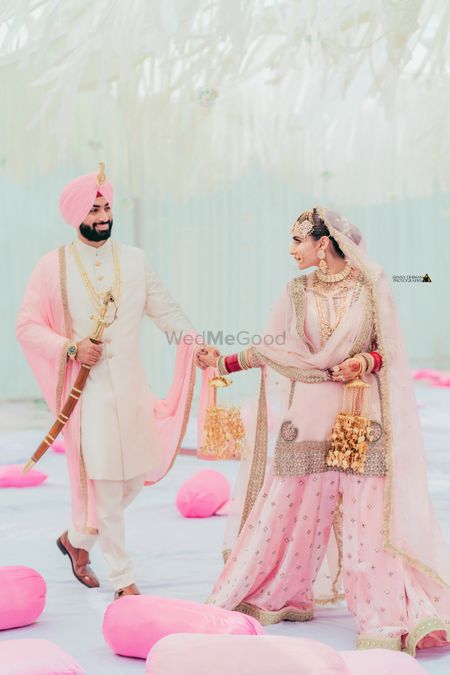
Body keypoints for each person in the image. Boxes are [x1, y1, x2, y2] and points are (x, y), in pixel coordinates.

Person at [201, 207, 450, 655]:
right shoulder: (295, 292)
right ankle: (279, 592)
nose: (291, 249)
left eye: (299, 240)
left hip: (359, 413)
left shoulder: (371, 289)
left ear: (324, 243)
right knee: (290, 507)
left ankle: (384, 614)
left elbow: (387, 351)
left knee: (368, 520)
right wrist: (223, 363)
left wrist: (362, 362)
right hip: (311, 412)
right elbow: (272, 348)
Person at [16, 164, 218, 599]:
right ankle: (124, 581)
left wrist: (196, 344)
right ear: (76, 215)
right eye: (94, 207)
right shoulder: (52, 267)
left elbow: (166, 311)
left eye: (107, 205)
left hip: (132, 392)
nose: (104, 214)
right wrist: (71, 347)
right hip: (88, 398)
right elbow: (27, 326)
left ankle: (76, 540)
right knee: (106, 487)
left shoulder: (135, 260)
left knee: (131, 481)